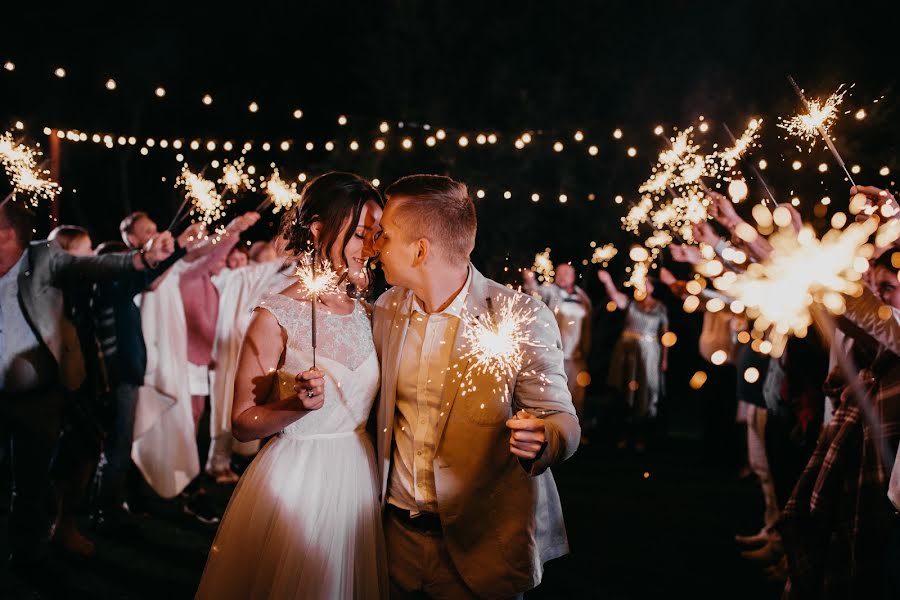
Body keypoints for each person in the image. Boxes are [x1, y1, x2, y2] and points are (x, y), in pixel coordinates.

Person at [370, 174, 579, 599]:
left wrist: (545, 439)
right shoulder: (386, 310)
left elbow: (563, 419)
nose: (375, 245)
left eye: (384, 235)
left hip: (483, 547)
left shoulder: (518, 315)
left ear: (420, 249)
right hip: (395, 545)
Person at [196, 172, 387, 599]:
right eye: (359, 234)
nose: (369, 249)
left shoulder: (370, 313)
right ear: (318, 228)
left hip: (359, 476)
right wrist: (295, 406)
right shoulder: (275, 315)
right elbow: (242, 423)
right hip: (300, 482)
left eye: (375, 235)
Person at [0, 198, 173, 586]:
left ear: (8, 232)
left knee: (30, 482)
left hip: (37, 394)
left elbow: (94, 264)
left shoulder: (44, 257)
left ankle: (29, 554)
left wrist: (142, 259)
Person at [598, 269, 668, 451]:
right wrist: (608, 281)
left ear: (652, 287)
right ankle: (622, 434)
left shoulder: (660, 307)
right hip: (627, 351)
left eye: (646, 284)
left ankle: (642, 436)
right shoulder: (630, 303)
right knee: (624, 389)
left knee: (646, 392)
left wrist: (664, 359)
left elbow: (666, 335)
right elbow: (615, 296)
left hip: (649, 352)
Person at [523, 263, 593, 431]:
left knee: (576, 396)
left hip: (576, 356)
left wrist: (586, 349)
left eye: (566, 273)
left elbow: (588, 323)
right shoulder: (551, 291)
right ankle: (549, 431)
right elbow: (535, 291)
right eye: (560, 272)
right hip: (554, 355)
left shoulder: (582, 297)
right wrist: (530, 280)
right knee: (551, 394)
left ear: (574, 276)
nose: (562, 276)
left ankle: (575, 432)